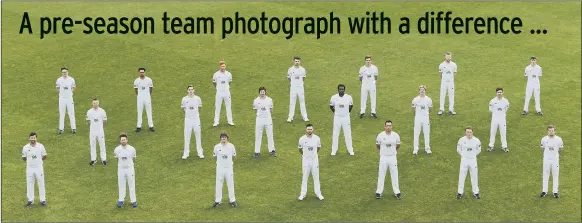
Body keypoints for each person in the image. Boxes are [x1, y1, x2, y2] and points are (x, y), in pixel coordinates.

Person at [375, 120, 402, 200]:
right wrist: (383, 152)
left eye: (390, 126)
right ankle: (379, 192)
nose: (388, 127)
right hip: (383, 157)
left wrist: (393, 152)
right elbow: (377, 145)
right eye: (387, 125)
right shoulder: (380, 135)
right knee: (381, 174)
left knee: (394, 174)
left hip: (392, 157)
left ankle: (397, 192)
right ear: (384, 126)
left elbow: (398, 145)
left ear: (392, 126)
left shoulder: (396, 135)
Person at [298, 124, 324, 201]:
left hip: (314, 160)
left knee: (316, 177)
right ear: (306, 130)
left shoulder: (317, 138)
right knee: (305, 177)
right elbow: (300, 149)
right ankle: (303, 194)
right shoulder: (302, 139)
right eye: (308, 129)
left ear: (313, 130)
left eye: (311, 129)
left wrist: (314, 154)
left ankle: (318, 193)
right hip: (306, 161)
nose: (310, 131)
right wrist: (306, 155)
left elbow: (319, 147)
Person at [213, 132, 238, 208]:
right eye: (222, 137)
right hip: (220, 169)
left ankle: (232, 200)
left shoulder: (231, 146)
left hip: (229, 169)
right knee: (218, 184)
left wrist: (228, 163)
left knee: (230, 184)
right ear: (220, 138)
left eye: (225, 137)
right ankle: (218, 200)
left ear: (227, 138)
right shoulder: (217, 147)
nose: (223, 138)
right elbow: (215, 156)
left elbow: (234, 156)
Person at [22, 132, 47, 207]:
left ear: (36, 138)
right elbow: (23, 157)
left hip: (38, 167)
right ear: (29, 138)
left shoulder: (40, 146)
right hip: (29, 168)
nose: (33, 139)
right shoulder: (25, 147)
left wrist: (38, 160)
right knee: (29, 183)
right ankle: (30, 200)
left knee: (41, 183)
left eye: (34, 138)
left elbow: (44, 156)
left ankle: (42, 200)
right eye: (31, 138)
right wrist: (31, 160)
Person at [456, 126, 481, 199]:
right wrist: (464, 155)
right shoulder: (461, 140)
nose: (469, 133)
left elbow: (479, 150)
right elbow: (458, 149)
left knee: (474, 176)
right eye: (467, 132)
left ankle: (476, 192)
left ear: (472, 132)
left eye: (470, 132)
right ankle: (460, 192)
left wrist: (472, 155)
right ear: (465, 132)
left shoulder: (476, 140)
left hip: (473, 160)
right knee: (462, 176)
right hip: (464, 160)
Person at [330, 84, 355, 156]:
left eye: (342, 89)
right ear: (338, 90)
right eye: (340, 89)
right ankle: (334, 151)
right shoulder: (334, 97)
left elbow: (351, 105)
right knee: (335, 134)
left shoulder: (348, 97)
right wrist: (336, 112)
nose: (341, 90)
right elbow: (331, 106)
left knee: (348, 134)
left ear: (344, 90)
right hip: (337, 118)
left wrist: (346, 112)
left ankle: (350, 150)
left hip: (346, 118)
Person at [539, 125, 563, 198]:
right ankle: (544, 191)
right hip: (546, 160)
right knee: (545, 175)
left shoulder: (559, 139)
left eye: (552, 130)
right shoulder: (543, 139)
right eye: (550, 131)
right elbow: (542, 147)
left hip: (555, 160)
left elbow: (560, 148)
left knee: (555, 175)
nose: (551, 132)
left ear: (554, 131)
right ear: (547, 131)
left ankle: (555, 192)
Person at [114, 133, 138, 208]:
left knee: (131, 184)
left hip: (130, 168)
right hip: (121, 169)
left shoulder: (132, 149)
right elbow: (117, 158)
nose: (123, 141)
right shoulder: (117, 149)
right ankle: (121, 200)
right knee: (121, 184)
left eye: (124, 140)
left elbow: (134, 158)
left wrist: (128, 165)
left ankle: (133, 200)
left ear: (127, 140)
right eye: (122, 140)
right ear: (120, 141)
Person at [181, 85, 204, 159]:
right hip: (188, 120)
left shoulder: (198, 98)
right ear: (187, 91)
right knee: (187, 136)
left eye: (192, 89)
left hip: (196, 120)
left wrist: (196, 115)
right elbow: (183, 108)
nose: (190, 91)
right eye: (189, 89)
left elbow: (200, 107)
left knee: (198, 136)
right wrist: (188, 115)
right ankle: (186, 153)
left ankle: (200, 152)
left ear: (194, 90)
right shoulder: (184, 99)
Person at [253, 87, 276, 158]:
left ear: (265, 92)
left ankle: (272, 150)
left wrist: (267, 115)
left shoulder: (269, 100)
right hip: (259, 119)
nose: (262, 93)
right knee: (258, 135)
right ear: (259, 92)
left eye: (263, 91)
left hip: (268, 119)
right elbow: (255, 110)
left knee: (270, 135)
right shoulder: (256, 100)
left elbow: (271, 109)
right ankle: (257, 152)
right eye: (261, 91)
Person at [411, 85, 433, 155]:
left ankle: (427, 148)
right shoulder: (415, 99)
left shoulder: (428, 99)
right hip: (418, 118)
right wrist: (418, 114)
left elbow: (430, 109)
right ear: (419, 91)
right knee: (416, 133)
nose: (422, 91)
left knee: (427, 133)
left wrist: (426, 114)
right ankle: (415, 149)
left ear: (425, 91)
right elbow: (413, 109)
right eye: (421, 90)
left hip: (426, 118)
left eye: (423, 90)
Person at [287, 56, 309, 122]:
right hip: (293, 87)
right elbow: (289, 78)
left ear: (300, 62)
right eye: (296, 61)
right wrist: (293, 83)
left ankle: (305, 117)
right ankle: (290, 117)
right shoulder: (290, 69)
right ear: (294, 61)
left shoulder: (302, 69)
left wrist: (300, 84)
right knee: (292, 102)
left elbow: (303, 78)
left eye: (298, 61)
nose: (297, 62)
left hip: (300, 87)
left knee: (302, 101)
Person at [86, 98, 108, 166]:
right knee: (92, 145)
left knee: (102, 145)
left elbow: (105, 120)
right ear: (92, 103)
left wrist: (101, 127)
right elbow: (88, 121)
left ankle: (103, 159)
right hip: (92, 132)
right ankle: (93, 159)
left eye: (96, 103)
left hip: (100, 131)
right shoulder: (89, 111)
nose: (95, 104)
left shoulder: (102, 111)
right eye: (94, 103)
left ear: (98, 103)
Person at [213, 61, 235, 127]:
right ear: (219, 66)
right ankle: (216, 122)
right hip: (219, 93)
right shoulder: (216, 74)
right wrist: (218, 88)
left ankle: (230, 121)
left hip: (227, 93)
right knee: (217, 107)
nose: (223, 67)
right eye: (221, 66)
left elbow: (229, 82)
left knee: (228, 107)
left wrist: (225, 88)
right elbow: (214, 83)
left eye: (224, 66)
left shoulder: (229, 74)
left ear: (225, 67)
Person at [488, 87, 510, 152]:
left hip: (502, 119)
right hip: (494, 119)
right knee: (492, 132)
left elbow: (506, 108)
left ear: (503, 93)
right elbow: (490, 109)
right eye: (498, 92)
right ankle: (491, 146)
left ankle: (504, 146)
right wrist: (496, 113)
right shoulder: (493, 101)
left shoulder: (506, 101)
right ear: (496, 93)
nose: (499, 93)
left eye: (500, 92)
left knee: (503, 133)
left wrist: (501, 114)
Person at [56, 67, 77, 134]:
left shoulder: (71, 79)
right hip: (62, 98)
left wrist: (71, 93)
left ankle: (73, 128)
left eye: (65, 72)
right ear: (61, 73)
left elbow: (73, 87)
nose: (64, 73)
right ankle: (61, 129)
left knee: (71, 113)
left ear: (67, 72)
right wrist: (60, 93)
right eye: (63, 72)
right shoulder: (59, 80)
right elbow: (57, 87)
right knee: (62, 113)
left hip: (69, 98)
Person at [134, 68, 155, 132]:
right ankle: (139, 126)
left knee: (149, 111)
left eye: (143, 72)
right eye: (140, 72)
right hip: (140, 98)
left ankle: (151, 126)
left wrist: (148, 95)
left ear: (144, 72)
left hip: (147, 97)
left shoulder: (149, 80)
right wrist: (139, 95)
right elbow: (135, 89)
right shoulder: (136, 81)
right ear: (139, 73)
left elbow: (151, 88)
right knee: (139, 112)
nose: (142, 73)